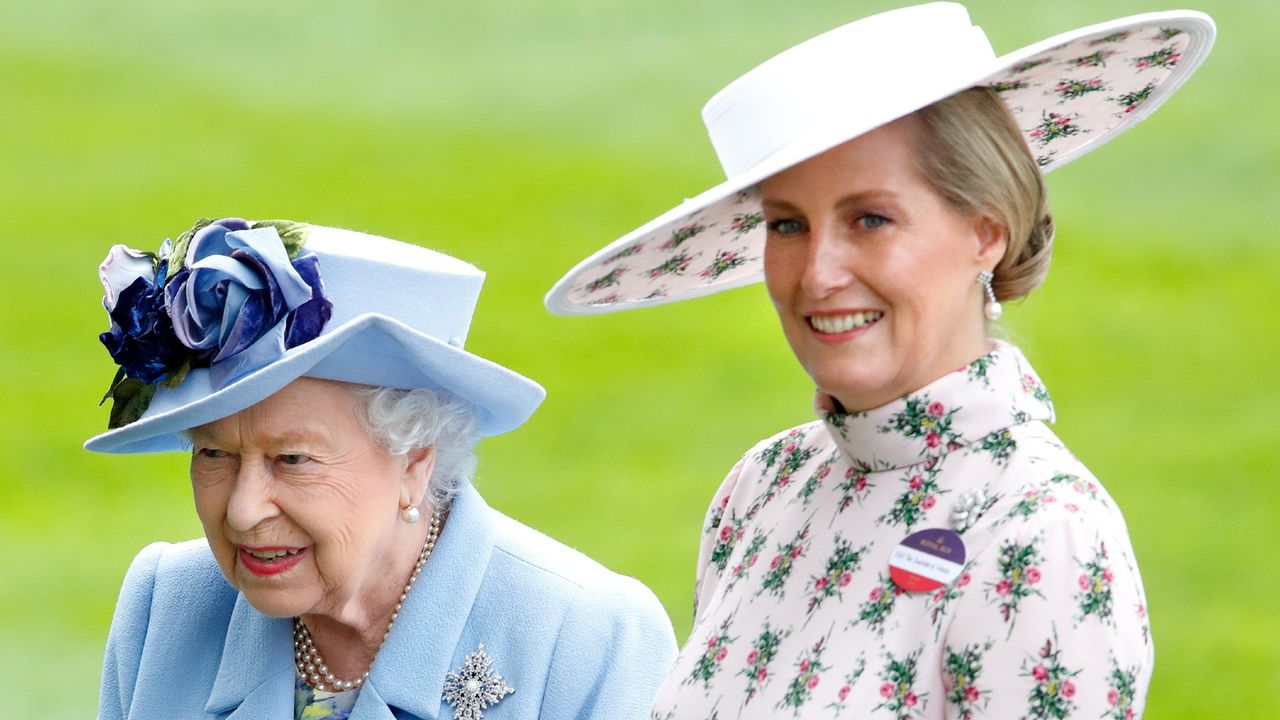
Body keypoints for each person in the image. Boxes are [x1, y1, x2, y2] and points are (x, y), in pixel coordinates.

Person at [546, 4, 1214, 718]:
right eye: (788, 225)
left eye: (870, 219)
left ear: (985, 231)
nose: (818, 273)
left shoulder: (1041, 530)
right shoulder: (763, 486)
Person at [90, 217, 677, 719]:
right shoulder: (165, 603)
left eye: (292, 459)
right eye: (213, 453)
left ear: (415, 460)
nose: (243, 511)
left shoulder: (586, 637)